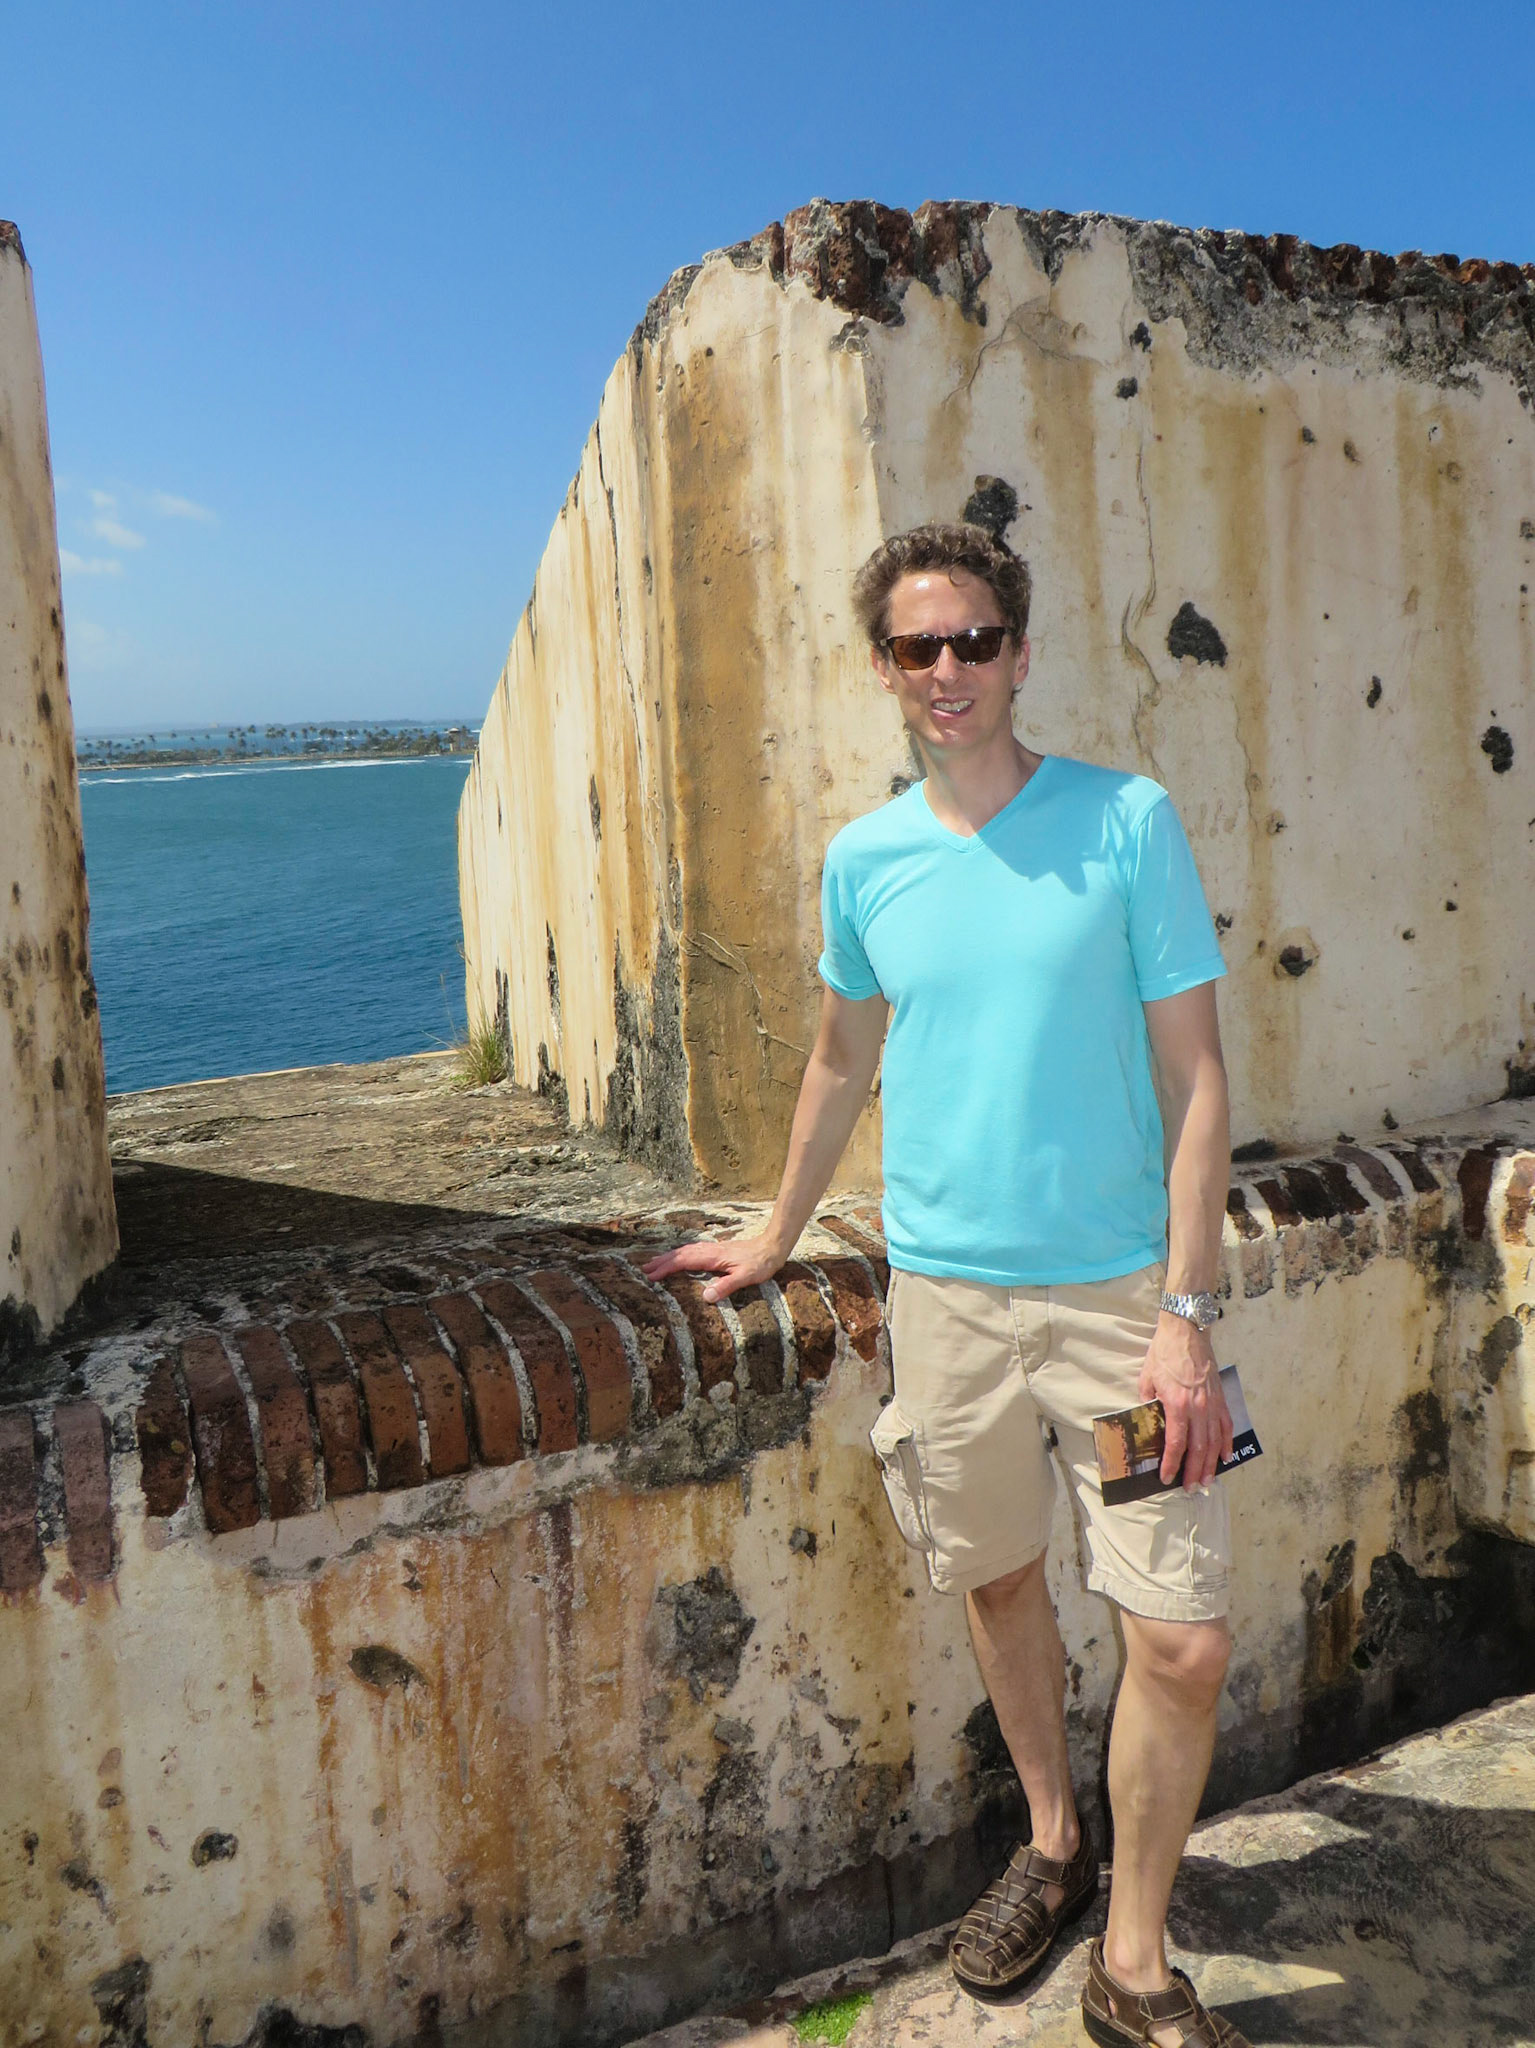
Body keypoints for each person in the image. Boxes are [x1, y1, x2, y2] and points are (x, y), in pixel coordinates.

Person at [644, 521, 1246, 2048]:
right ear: (886, 670)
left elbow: (1196, 1084)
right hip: (948, 1304)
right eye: (920, 648)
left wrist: (1187, 1323)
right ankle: (1052, 1840)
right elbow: (845, 1053)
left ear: (1021, 653)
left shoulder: (1125, 823)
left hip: (1123, 1307)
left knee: (1178, 1634)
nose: (950, 670)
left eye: (976, 640)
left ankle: (1133, 1958)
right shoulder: (869, 860)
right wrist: (779, 1233)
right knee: (995, 1579)